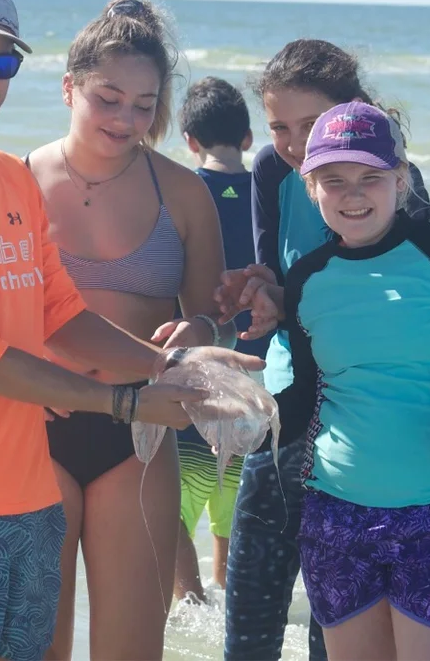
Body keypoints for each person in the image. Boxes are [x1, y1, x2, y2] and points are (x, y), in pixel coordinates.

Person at [0, 0, 260, 661]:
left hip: (19, 491)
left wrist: (172, 364)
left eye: (1, 61)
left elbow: (58, 311)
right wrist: (128, 400)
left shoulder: (8, 179)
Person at [254, 101, 430, 659]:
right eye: (334, 181)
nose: (353, 195)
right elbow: (308, 397)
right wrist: (243, 418)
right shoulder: (308, 279)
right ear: (311, 188)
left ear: (400, 178)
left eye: (371, 178)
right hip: (336, 515)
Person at [24, 0, 237, 659]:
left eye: (144, 105)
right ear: (69, 88)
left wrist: (198, 330)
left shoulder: (184, 192)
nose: (126, 118)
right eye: (108, 98)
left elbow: (214, 322)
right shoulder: (14, 183)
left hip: (140, 436)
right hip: (33, 429)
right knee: (34, 646)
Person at [213, 39, 430, 661]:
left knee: (334, 605)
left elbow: (401, 308)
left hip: (359, 414)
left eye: (309, 125)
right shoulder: (270, 169)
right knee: (252, 600)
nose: (293, 143)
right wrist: (255, 293)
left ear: (354, 108)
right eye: (279, 126)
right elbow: (276, 272)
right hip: (285, 396)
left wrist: (288, 302)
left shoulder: (394, 180)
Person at [172, 76, 271, 603]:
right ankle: (228, 593)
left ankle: (189, 604)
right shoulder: (268, 193)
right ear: (249, 138)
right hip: (258, 368)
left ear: (190, 140)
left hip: (198, 367)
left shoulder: (184, 193)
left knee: (178, 504)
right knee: (235, 490)